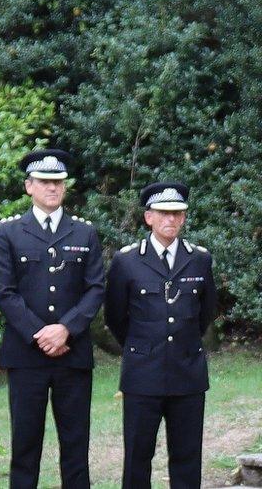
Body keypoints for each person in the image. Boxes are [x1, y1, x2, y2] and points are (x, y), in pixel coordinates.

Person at [0, 149, 104, 489]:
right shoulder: (9, 232)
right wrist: (41, 333)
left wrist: (66, 329)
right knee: (25, 444)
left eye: (58, 182)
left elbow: (96, 288)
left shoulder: (84, 232)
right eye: (44, 182)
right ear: (29, 186)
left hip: (73, 352)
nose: (52, 188)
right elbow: (3, 291)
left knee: (75, 443)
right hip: (26, 355)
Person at [105, 182, 217, 489]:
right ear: (149, 218)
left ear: (183, 218)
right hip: (143, 374)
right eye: (164, 213)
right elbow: (115, 316)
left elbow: (205, 313)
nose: (171, 219)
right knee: (137, 458)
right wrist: (142, 347)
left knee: (187, 457)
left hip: (187, 373)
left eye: (177, 213)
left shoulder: (200, 259)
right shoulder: (127, 261)